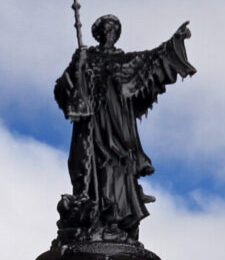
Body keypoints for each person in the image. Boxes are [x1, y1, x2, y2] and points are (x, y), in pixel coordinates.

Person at [52, 13, 194, 241]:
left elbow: (153, 59)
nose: (109, 34)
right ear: (98, 34)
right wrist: (76, 69)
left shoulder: (125, 61)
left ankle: (114, 216)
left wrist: (175, 41)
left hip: (118, 125)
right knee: (88, 163)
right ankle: (92, 212)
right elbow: (62, 88)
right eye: (105, 30)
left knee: (116, 164)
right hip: (91, 124)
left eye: (113, 30)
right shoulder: (85, 58)